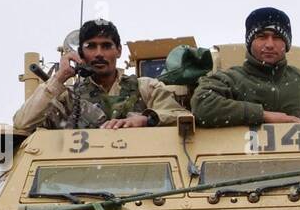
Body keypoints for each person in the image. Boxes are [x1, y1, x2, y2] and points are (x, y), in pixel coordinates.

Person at [13, 18, 184, 132]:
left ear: (118, 51)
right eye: (91, 46)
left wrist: (147, 119)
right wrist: (58, 78)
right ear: (80, 53)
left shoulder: (146, 88)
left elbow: (182, 116)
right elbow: (22, 123)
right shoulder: (69, 98)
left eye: (106, 46)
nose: (99, 54)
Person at [191, 7, 300, 128]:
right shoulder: (231, 78)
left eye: (276, 37)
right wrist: (263, 115)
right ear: (250, 42)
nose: (269, 44)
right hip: (242, 155)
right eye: (262, 37)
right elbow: (202, 104)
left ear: (286, 45)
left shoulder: (299, 80)